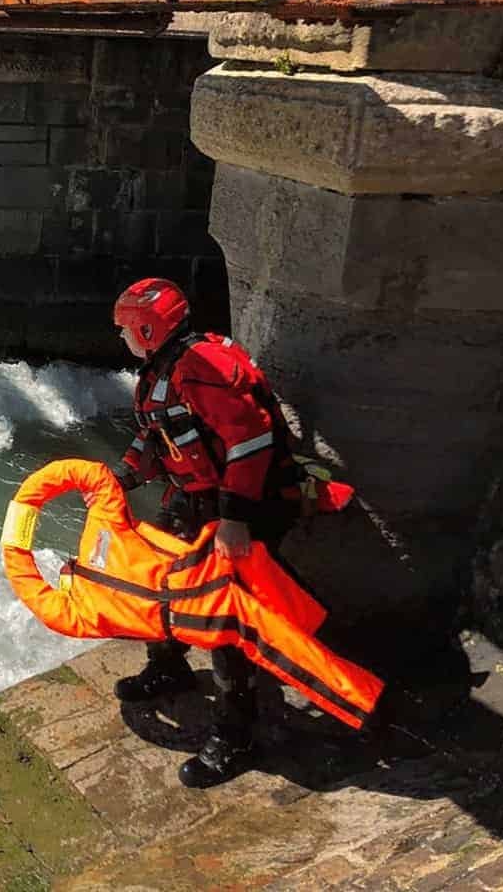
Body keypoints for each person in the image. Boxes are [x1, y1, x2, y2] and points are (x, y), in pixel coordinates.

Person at [110, 276, 345, 789]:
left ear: (148, 330)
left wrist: (233, 518)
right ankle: (168, 665)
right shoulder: (164, 369)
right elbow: (158, 436)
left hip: (239, 508)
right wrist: (121, 477)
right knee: (162, 587)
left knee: (224, 623)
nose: (121, 337)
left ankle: (235, 734)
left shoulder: (201, 367)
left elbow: (250, 440)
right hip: (194, 502)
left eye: (126, 329)